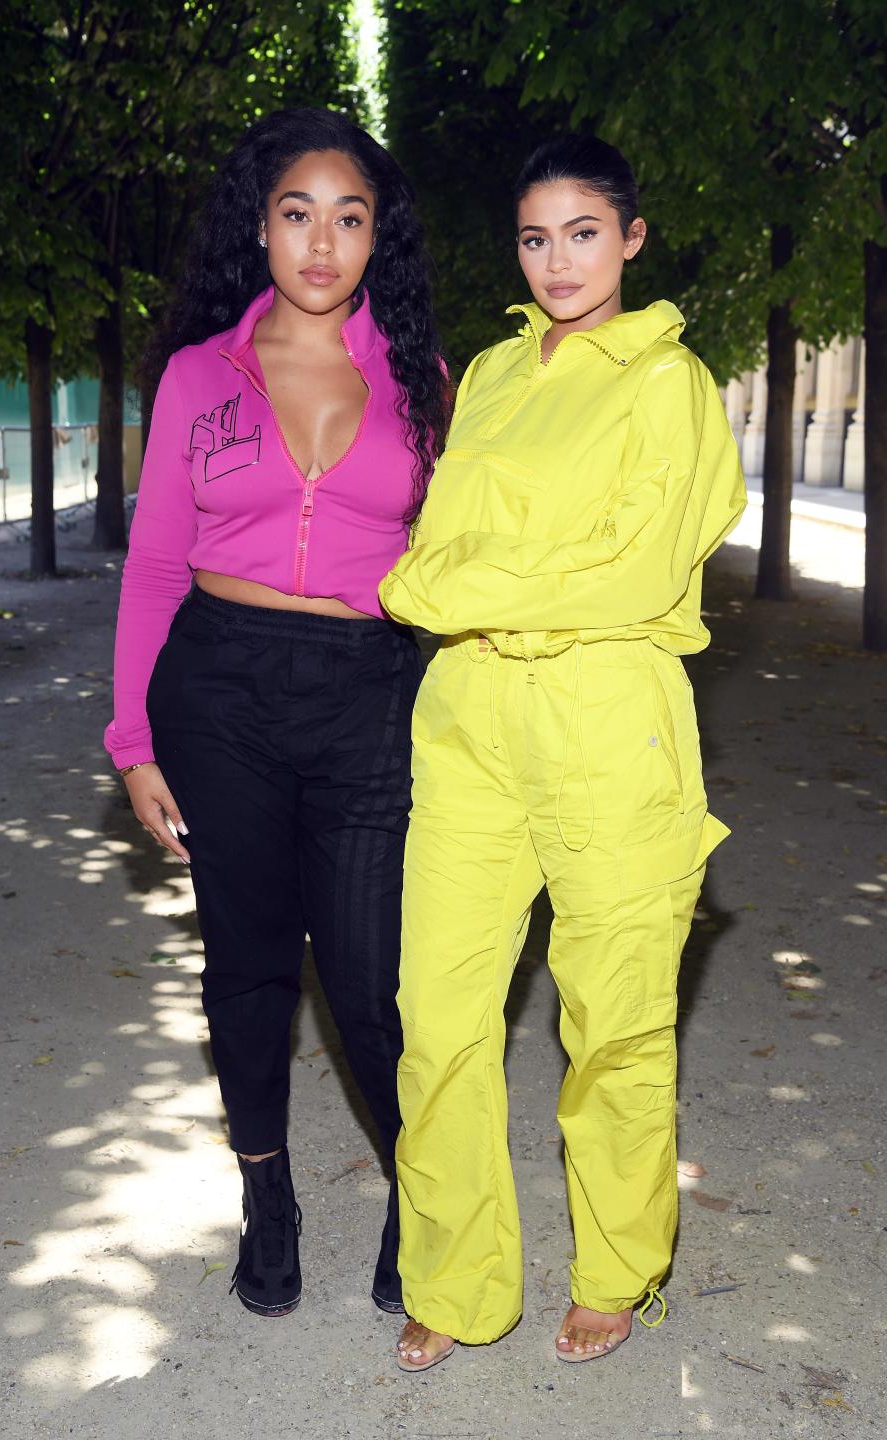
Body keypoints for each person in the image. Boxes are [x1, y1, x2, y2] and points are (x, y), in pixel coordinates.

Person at [379, 133, 746, 1371]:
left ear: (632, 238)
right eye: (535, 237)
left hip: (610, 725)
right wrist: (491, 587)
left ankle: (616, 1266)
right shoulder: (483, 372)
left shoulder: (671, 383)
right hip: (470, 726)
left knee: (617, 1026)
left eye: (583, 233)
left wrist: (472, 588)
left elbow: (642, 571)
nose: (558, 260)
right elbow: (421, 559)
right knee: (437, 1017)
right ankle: (459, 1277)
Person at [104, 108, 449, 1319]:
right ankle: (268, 1195)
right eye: (297, 213)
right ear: (260, 227)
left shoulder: (420, 377)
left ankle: (425, 1184)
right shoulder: (202, 373)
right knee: (247, 970)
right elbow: (152, 569)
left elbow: (457, 558)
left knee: (368, 977)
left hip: (366, 692)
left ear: (374, 239)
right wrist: (131, 739)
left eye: (348, 218)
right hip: (222, 687)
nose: (321, 242)